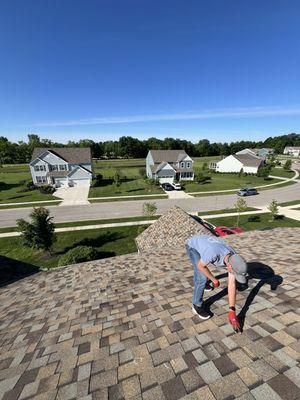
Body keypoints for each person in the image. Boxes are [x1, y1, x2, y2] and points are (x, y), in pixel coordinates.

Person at [186, 235, 247, 330]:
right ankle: (196, 305)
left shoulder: (234, 257)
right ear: (229, 266)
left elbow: (232, 284)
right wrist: (214, 280)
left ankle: (205, 283)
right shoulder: (213, 253)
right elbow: (200, 266)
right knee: (201, 277)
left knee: (203, 273)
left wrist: (232, 310)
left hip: (207, 246)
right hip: (193, 246)